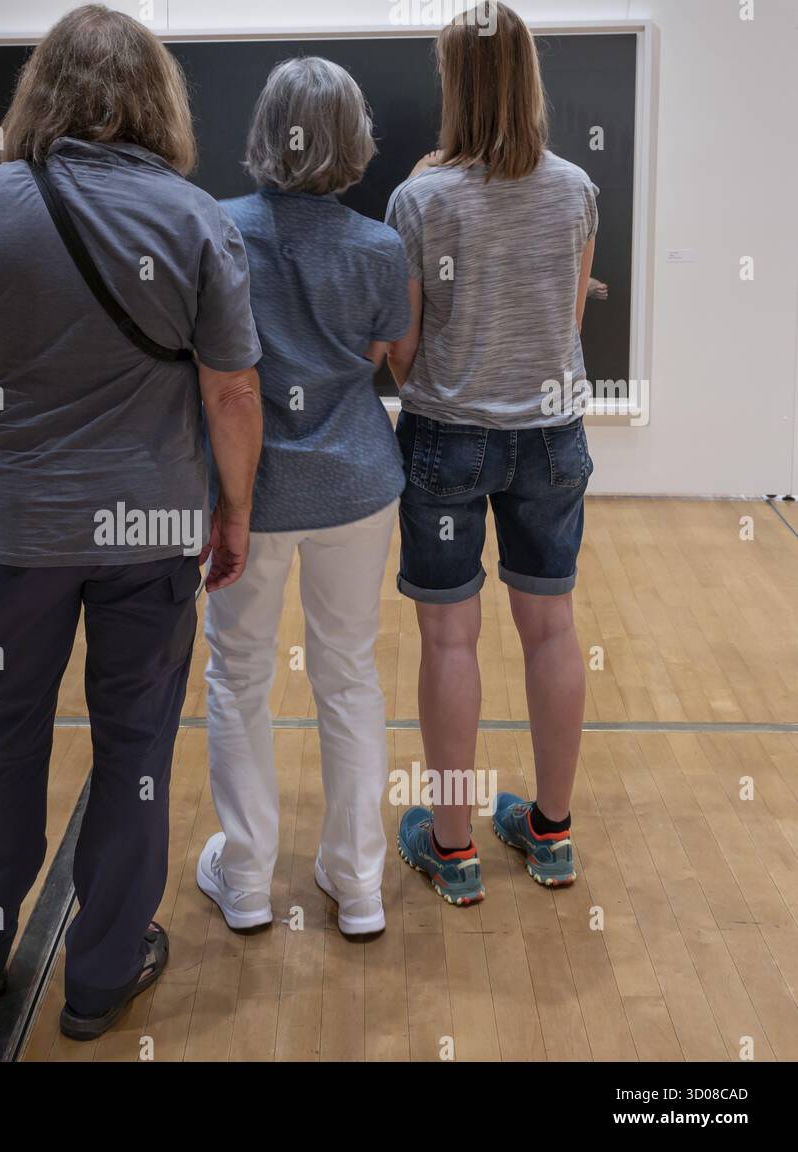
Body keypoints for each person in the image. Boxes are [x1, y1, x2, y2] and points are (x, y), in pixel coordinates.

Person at [0, 4, 263, 1039]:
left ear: (38, 92)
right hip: (150, 536)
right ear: (156, 98)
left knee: (1, 736)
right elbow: (233, 395)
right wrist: (230, 512)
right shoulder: (196, 220)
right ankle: (101, 974)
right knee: (135, 745)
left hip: (16, 535)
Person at [386, 1, 598, 905]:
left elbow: (402, 348)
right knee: (550, 629)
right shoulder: (576, 189)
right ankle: (551, 834)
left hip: (447, 439)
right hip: (552, 437)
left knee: (450, 637)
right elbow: (570, 324)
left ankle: (456, 847)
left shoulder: (420, 201)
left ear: (456, 84)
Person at [196, 58, 411, 938]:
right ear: (354, 142)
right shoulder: (381, 248)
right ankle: (357, 883)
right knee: (349, 676)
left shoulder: (217, 231)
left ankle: (245, 879)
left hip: (249, 492)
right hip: (357, 486)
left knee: (239, 675)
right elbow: (390, 357)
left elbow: (217, 375)